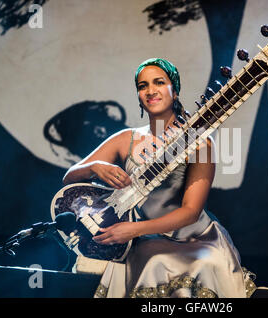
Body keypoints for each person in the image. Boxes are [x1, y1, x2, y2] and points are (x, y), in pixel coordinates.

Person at [62, 58, 256, 298]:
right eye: (142, 86)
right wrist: (96, 166)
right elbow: (69, 178)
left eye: (159, 82)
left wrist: (134, 230)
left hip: (194, 238)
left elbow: (191, 212)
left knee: (187, 263)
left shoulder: (199, 141)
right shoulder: (127, 139)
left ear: (174, 92)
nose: (150, 90)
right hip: (143, 239)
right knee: (150, 258)